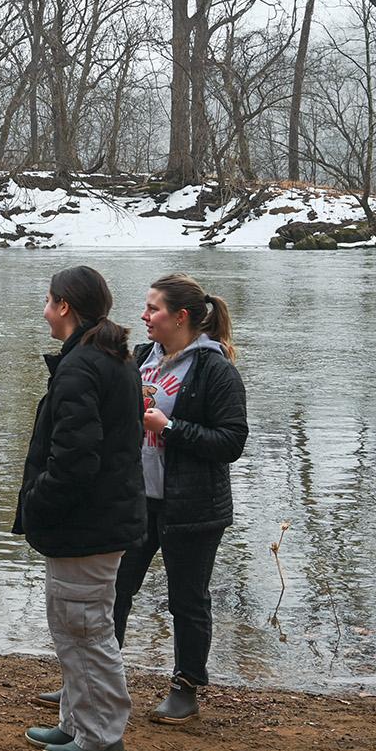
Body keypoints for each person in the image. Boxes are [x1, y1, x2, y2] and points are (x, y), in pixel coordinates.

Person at [14, 266, 144, 751]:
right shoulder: (106, 358)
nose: (44, 311)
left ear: (65, 307)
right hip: (98, 521)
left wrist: (37, 503)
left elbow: (75, 461)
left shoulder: (82, 367)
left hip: (87, 526)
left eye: (48, 301)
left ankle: (101, 738)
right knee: (75, 625)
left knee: (86, 627)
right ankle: (77, 722)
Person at [115, 273, 248, 725]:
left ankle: (186, 687)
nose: (144, 315)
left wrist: (169, 428)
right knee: (113, 590)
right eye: (146, 306)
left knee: (187, 600)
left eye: (153, 308)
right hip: (137, 500)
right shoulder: (139, 359)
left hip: (192, 507)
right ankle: (95, 678)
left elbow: (231, 441)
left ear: (182, 317)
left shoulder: (215, 369)